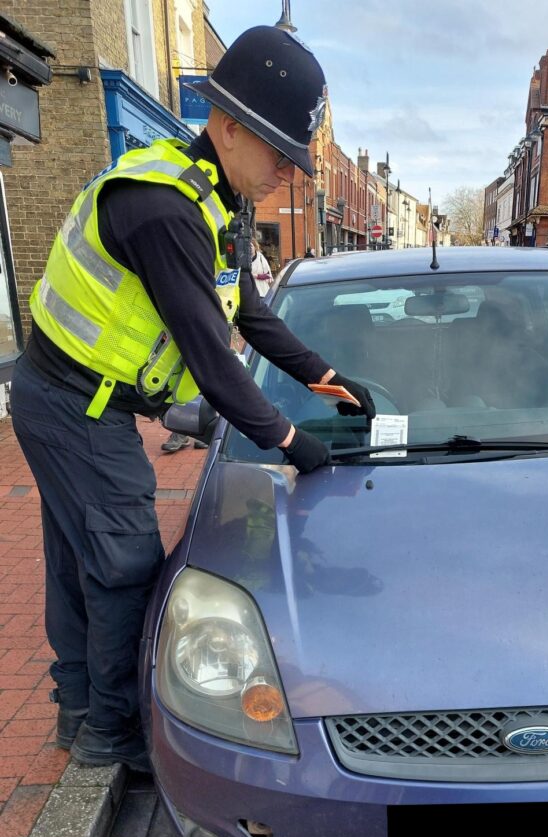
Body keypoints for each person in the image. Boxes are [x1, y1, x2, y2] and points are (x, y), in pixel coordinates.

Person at [10, 26, 375, 774]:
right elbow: (213, 358)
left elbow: (246, 311)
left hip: (77, 400)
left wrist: (322, 374)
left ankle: (80, 709)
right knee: (123, 565)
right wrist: (288, 442)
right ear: (230, 127)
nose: (286, 172)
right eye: (279, 153)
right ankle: (113, 736)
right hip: (72, 402)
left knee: (79, 559)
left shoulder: (212, 198)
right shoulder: (164, 207)